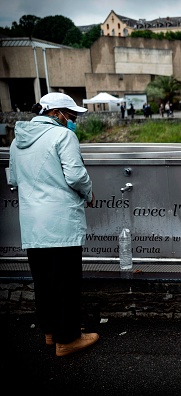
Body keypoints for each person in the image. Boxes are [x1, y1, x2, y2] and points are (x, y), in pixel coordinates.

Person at [8, 92, 99, 357]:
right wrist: (89, 193)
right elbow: (75, 174)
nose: (73, 122)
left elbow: (14, 179)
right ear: (56, 113)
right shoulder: (63, 136)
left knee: (44, 281)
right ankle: (68, 339)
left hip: (33, 223)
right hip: (60, 222)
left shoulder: (17, 141)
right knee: (66, 283)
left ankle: (51, 332)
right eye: (71, 116)